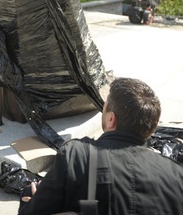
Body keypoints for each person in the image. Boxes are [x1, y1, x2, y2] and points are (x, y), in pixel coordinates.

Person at [18, 77, 183, 214]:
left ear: (111, 119)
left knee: (28, 194)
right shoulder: (176, 175)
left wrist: (32, 199)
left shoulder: (77, 156)